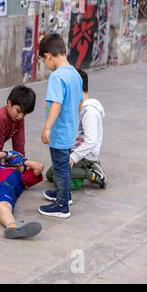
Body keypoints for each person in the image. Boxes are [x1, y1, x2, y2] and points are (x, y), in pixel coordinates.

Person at [38, 33, 83, 219]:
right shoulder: (75, 74)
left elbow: (56, 104)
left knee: (60, 167)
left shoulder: (57, 77)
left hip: (59, 131)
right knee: (63, 165)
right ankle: (65, 194)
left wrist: (47, 127)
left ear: (48, 56)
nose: (46, 65)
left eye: (44, 61)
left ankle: (62, 205)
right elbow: (80, 102)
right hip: (70, 129)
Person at [45, 69, 107, 201]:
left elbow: (90, 141)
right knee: (50, 174)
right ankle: (89, 168)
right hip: (78, 150)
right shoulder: (81, 106)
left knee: (58, 176)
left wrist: (73, 157)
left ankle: (92, 174)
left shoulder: (89, 111)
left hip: (86, 155)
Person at [0, 85, 36, 163]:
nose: (21, 116)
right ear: (9, 103)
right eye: (18, 111)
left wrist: (21, 162)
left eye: (24, 114)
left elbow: (19, 145)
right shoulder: (0, 118)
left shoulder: (19, 119)